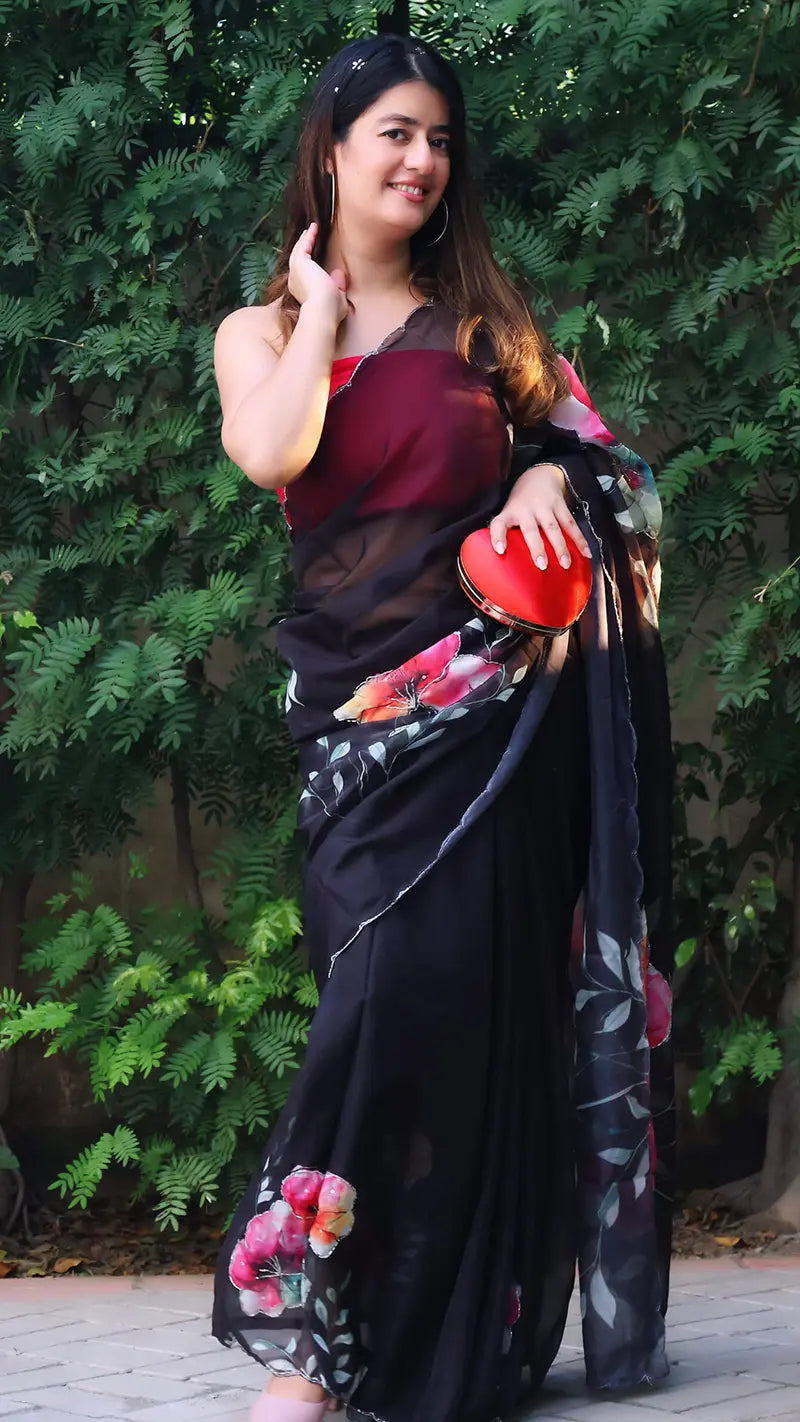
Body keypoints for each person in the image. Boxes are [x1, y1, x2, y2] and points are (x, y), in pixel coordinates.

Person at [211, 33, 675, 1422]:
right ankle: (313, 1331)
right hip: (358, 735)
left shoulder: (490, 330)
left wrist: (546, 485)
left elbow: (606, 471)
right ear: (336, 150)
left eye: (439, 140)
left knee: (470, 1015)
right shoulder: (261, 333)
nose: (422, 160)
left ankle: (389, 1344)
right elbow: (274, 453)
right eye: (394, 135)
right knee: (378, 991)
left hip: (495, 731)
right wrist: (314, 301)